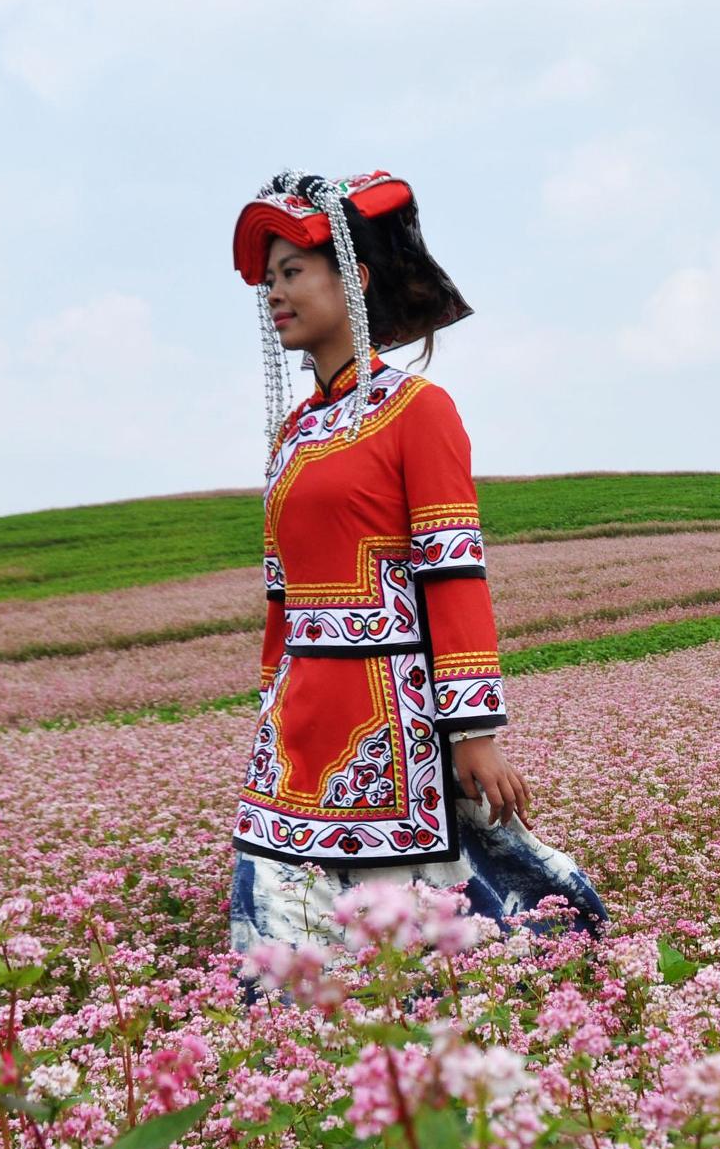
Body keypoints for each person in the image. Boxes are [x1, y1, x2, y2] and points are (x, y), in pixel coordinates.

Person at [225, 170, 605, 967]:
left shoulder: (417, 411)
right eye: (268, 280)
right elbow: (280, 592)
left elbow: (453, 570)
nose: (274, 294)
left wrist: (473, 731)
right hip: (297, 733)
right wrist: (270, 702)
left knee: (404, 947)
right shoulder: (293, 431)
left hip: (388, 724)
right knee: (280, 937)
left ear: (352, 280)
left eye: (292, 272)